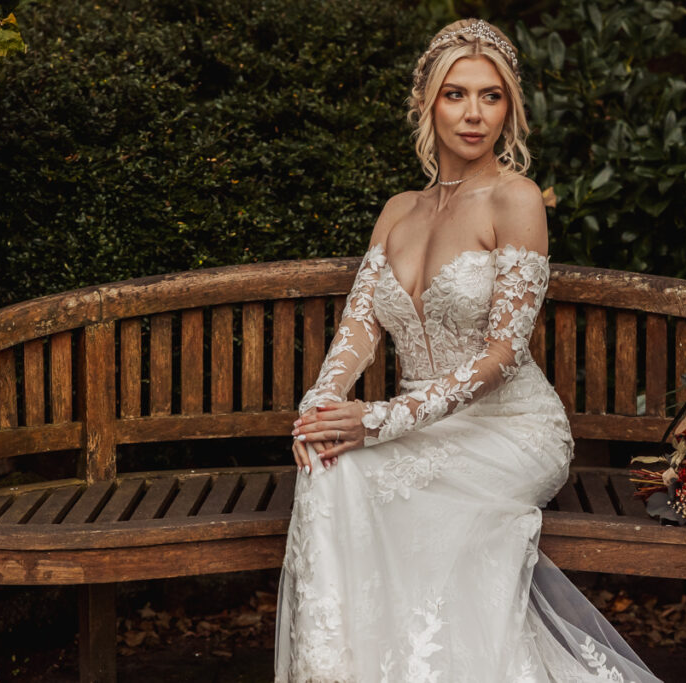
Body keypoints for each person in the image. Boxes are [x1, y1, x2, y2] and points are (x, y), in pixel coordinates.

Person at [275, 18, 664, 683]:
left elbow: (502, 355)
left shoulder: (514, 200)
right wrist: (320, 404)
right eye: (456, 94)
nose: (474, 114)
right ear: (428, 101)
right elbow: (361, 325)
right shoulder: (399, 210)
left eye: (491, 96)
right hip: (422, 429)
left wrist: (378, 420)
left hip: (511, 430)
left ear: (509, 107)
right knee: (330, 469)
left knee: (391, 485)